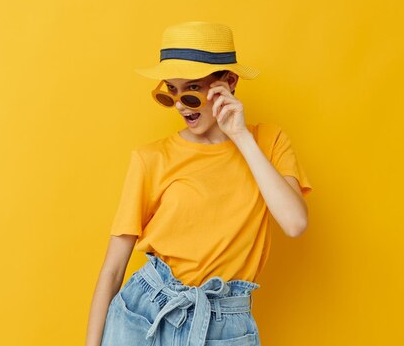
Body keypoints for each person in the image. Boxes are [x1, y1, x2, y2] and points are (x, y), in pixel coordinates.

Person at [85, 21, 313, 346]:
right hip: (147, 313)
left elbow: (294, 222)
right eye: (171, 92)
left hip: (226, 323)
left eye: (192, 91)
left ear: (229, 83)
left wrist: (241, 137)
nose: (180, 105)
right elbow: (112, 269)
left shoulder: (268, 143)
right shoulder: (151, 158)